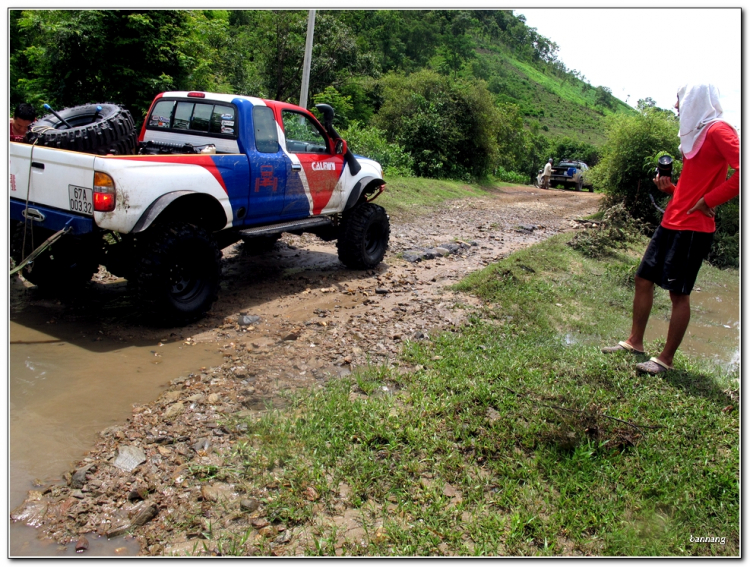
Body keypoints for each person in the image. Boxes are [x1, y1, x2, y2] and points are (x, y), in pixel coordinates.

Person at [602, 83, 739, 374]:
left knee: (678, 293)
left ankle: (665, 359)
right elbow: (692, 187)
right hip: (671, 220)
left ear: (694, 101)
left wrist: (709, 200)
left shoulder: (719, 130)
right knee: (643, 278)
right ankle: (634, 342)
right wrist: (672, 189)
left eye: (680, 100)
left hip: (693, 228)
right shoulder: (697, 136)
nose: (676, 106)